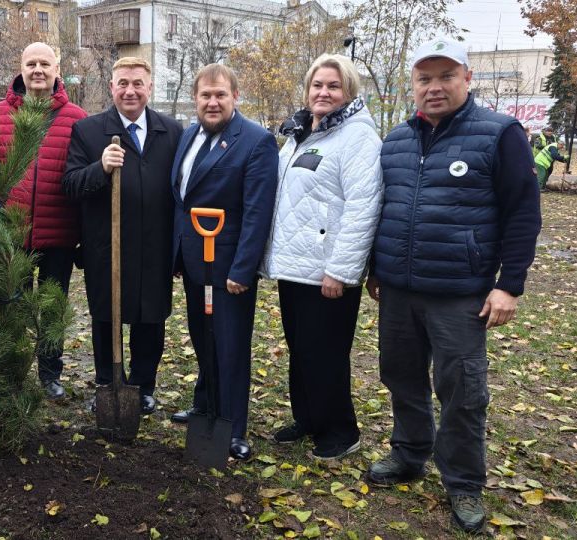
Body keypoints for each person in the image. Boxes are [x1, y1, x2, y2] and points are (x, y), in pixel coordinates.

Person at [365, 38, 541, 533]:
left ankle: (463, 480)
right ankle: (409, 451)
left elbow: (523, 212)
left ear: (467, 78)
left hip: (460, 293)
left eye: (445, 76)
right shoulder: (396, 140)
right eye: (424, 78)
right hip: (398, 290)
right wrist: (377, 268)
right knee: (401, 377)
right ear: (413, 85)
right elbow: (387, 209)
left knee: (462, 390)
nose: (434, 87)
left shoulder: (500, 134)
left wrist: (510, 285)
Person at [261, 54, 383, 461]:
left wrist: (342, 271)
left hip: (328, 272)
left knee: (327, 353)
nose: (324, 92)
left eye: (333, 86)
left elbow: (362, 208)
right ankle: (308, 418)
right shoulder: (302, 134)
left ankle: (340, 430)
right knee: (301, 348)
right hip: (296, 267)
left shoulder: (358, 138)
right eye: (318, 85)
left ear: (348, 92)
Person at [168, 64, 278, 461]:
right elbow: (183, 199)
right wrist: (180, 253)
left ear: (235, 97)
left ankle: (232, 426)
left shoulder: (256, 141)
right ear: (195, 99)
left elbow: (257, 212)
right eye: (205, 96)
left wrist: (242, 268)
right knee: (202, 335)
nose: (212, 102)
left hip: (229, 265)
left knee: (230, 344)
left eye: (220, 95)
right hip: (195, 261)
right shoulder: (189, 135)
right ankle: (205, 404)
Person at [63, 57, 182, 415]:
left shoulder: (171, 131)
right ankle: (106, 382)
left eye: (137, 83)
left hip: (154, 246)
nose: (130, 91)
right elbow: (70, 184)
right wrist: (100, 167)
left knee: (151, 318)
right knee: (106, 316)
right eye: (123, 83)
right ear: (112, 87)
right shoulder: (89, 131)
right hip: (107, 245)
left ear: (150, 87)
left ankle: (143, 385)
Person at [0, 42, 87, 399]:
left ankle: (50, 373)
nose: (37, 70)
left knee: (51, 306)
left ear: (56, 69)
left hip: (58, 233)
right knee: (12, 306)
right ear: (20, 68)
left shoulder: (75, 118)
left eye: (44, 64)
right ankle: (13, 371)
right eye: (31, 63)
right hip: (10, 233)